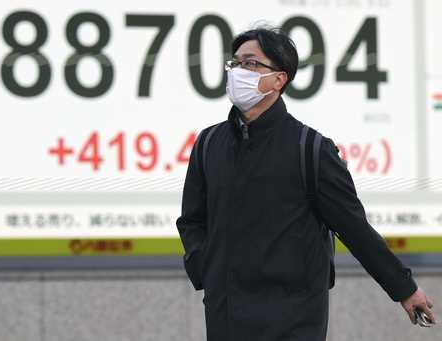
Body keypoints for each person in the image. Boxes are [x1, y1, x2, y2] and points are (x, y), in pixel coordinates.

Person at [176, 26, 437, 341]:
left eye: (250, 63)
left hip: (293, 316)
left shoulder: (310, 149)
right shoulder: (209, 143)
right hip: (226, 313)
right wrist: (207, 269)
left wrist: (404, 288)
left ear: (279, 79)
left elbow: (354, 227)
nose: (237, 72)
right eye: (235, 63)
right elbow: (191, 219)